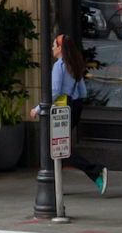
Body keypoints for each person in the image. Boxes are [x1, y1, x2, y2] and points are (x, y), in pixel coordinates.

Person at [32, 33, 108, 195]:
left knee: (57, 148)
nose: (52, 48)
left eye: (54, 45)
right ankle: (55, 185)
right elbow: (83, 92)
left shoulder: (59, 66)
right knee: (58, 147)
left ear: (60, 48)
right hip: (75, 107)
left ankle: (95, 171)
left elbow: (55, 91)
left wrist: (38, 108)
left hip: (62, 108)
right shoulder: (74, 65)